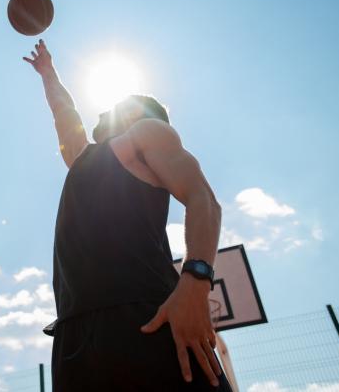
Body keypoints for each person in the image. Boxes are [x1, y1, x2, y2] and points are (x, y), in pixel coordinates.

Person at [24, 40, 232, 391]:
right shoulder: (84, 158)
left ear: (136, 113)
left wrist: (196, 283)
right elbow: (64, 112)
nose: (104, 112)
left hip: (147, 317)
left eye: (116, 106)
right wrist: (48, 73)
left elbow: (204, 200)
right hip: (75, 333)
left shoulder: (148, 133)